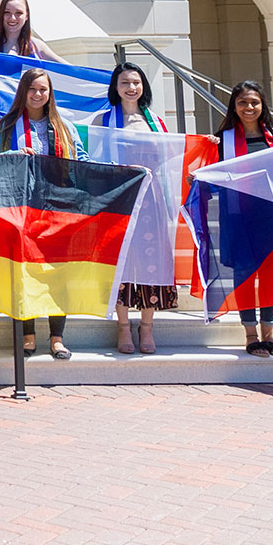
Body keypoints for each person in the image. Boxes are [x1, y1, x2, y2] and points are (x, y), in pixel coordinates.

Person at [0, 67, 87, 360]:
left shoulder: (64, 127)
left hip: (57, 207)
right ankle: (27, 336)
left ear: (50, 94)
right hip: (19, 208)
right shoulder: (6, 125)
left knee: (57, 273)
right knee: (23, 272)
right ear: (23, 91)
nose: (37, 95)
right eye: (32, 89)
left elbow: (82, 160)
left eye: (43, 90)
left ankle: (57, 338)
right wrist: (13, 156)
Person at [90, 62, 175, 354]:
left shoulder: (156, 123)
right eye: (125, 82)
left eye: (136, 82)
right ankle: (124, 326)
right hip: (120, 198)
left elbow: (171, 157)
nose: (131, 88)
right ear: (116, 87)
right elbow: (94, 162)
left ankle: (147, 326)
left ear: (143, 87)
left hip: (151, 197)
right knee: (122, 260)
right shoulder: (102, 122)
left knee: (151, 259)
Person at [216, 81, 273, 359]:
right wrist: (197, 179)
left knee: (272, 276)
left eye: (254, 103)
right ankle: (251, 335)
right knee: (245, 275)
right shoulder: (222, 140)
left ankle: (269, 335)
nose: (249, 108)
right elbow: (215, 179)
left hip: (272, 215)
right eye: (243, 103)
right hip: (239, 217)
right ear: (234, 107)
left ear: (263, 105)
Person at [0, 0, 66, 63]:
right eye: (7, 12)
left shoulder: (37, 47)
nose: (12, 18)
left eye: (18, 13)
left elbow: (69, 70)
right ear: (1, 15)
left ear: (27, 16)